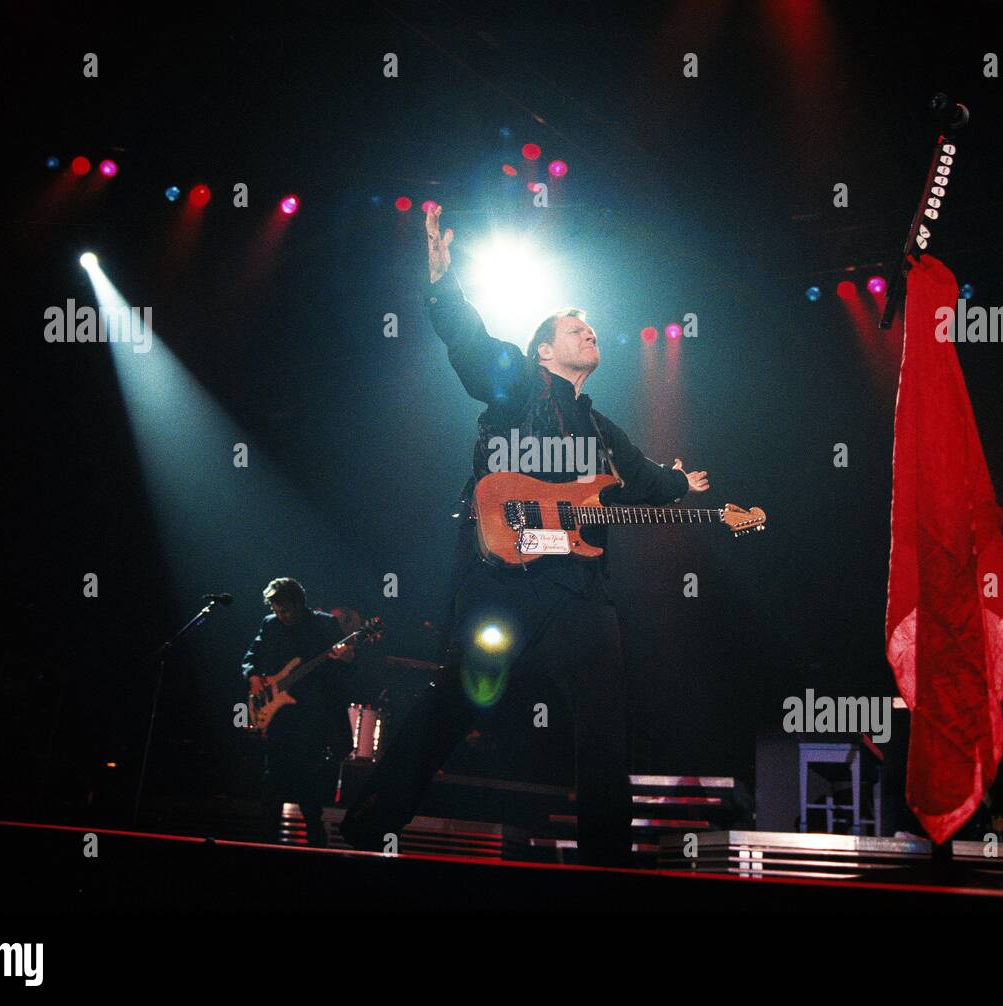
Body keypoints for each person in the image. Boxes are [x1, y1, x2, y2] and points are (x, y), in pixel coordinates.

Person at [340, 206, 711, 866]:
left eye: (592, 326)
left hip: (577, 597)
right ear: (544, 350)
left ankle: (605, 865)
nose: (589, 331)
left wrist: (682, 485)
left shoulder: (604, 432)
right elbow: (469, 342)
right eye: (574, 327)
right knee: (453, 707)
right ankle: (370, 823)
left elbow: (647, 478)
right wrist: (439, 277)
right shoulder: (517, 385)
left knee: (604, 731)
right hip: (503, 583)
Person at [242, 577, 350, 846]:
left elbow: (346, 664)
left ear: (300, 604)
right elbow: (250, 657)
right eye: (277, 610)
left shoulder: (324, 623)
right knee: (273, 777)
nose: (282, 615)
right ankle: (266, 838)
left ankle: (316, 837)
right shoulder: (270, 624)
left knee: (307, 775)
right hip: (278, 713)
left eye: (286, 610)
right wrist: (253, 675)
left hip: (312, 712)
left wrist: (345, 656)